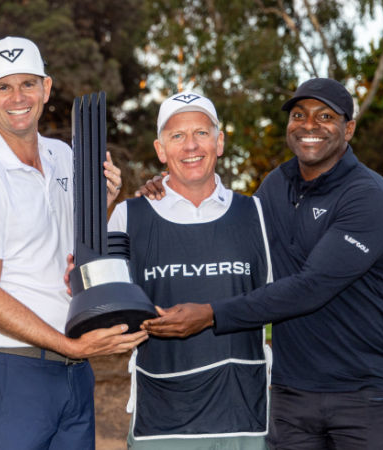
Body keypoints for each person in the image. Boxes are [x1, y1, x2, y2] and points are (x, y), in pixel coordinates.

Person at [141, 78, 383, 449]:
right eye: (299, 115)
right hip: (290, 395)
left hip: (363, 395)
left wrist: (209, 314)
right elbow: (227, 240)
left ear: (349, 128)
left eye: (325, 116)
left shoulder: (369, 196)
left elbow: (311, 286)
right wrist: (168, 186)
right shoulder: (275, 186)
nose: (309, 125)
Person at [0, 36, 148, 450]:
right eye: (3, 87)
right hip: (12, 372)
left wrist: (102, 205)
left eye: (28, 84)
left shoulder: (64, 156)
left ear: (47, 88)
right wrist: (72, 345)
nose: (17, 97)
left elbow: (70, 251)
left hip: (73, 373)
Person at [109, 91, 272, 449]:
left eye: (201, 132)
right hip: (161, 421)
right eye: (177, 136)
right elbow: (106, 306)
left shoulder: (257, 215)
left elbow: (299, 290)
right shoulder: (128, 217)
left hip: (243, 419)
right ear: (160, 149)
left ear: (220, 141)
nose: (190, 145)